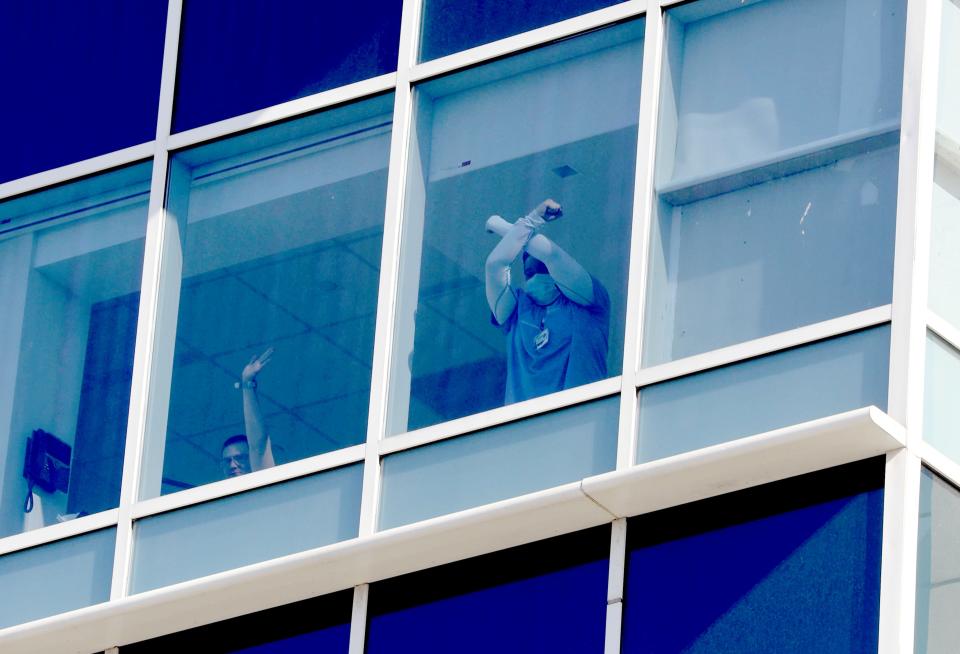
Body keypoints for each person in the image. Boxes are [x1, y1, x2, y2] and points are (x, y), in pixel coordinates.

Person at [485, 199, 610, 404]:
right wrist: (530, 220)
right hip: (522, 429)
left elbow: (550, 254)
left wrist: (504, 225)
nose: (534, 277)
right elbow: (494, 264)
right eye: (528, 273)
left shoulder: (589, 302)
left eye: (541, 270)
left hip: (580, 419)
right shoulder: (517, 312)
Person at [220, 348, 276, 478]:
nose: (232, 466)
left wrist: (247, 385)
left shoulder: (262, 482)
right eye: (227, 461)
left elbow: (258, 444)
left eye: (240, 458)